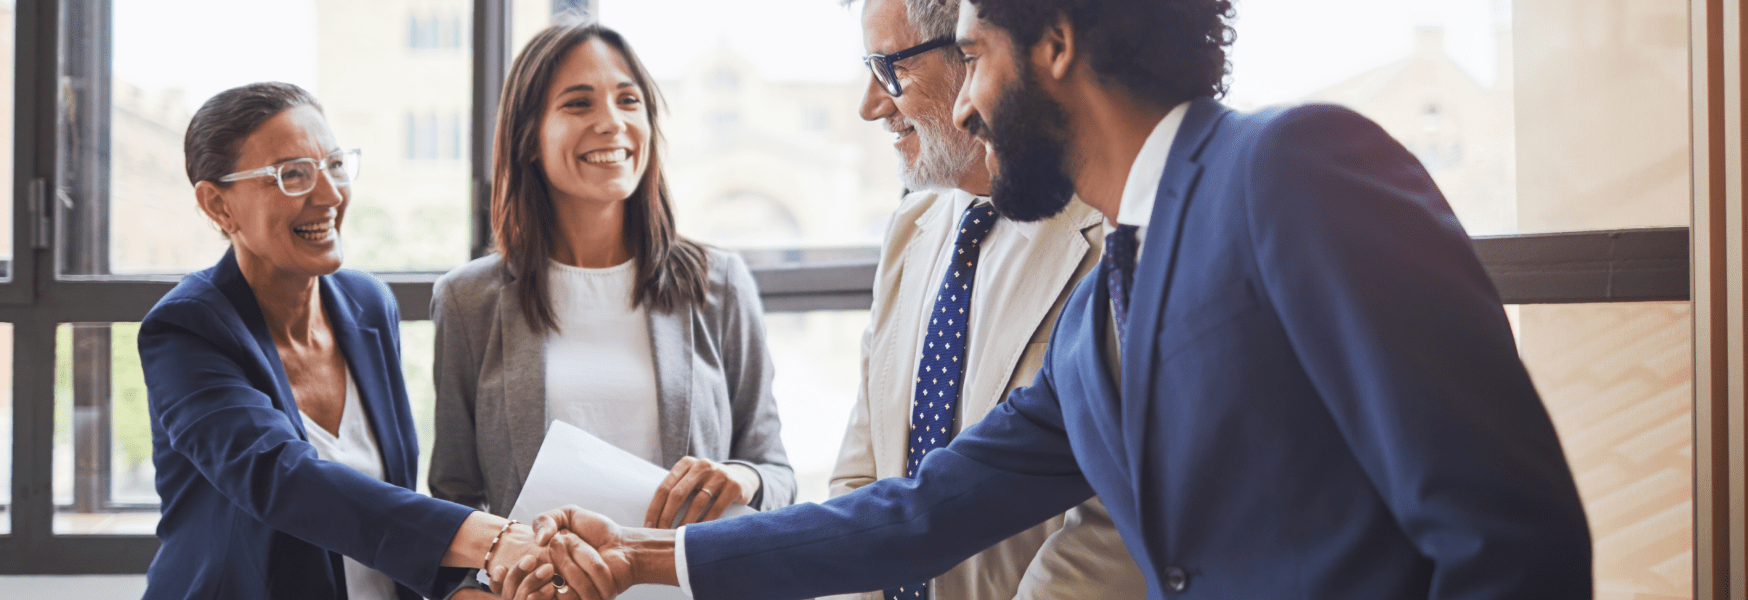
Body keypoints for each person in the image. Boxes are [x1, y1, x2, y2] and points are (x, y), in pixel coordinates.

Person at [508, 0, 1595, 599]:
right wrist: (642, 557)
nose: (967, 103)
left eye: (973, 56)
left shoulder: (1294, 166)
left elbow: (1510, 538)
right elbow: (918, 514)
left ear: (1056, 45)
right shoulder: (1098, 320)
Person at [138, 82, 541, 600]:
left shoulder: (368, 305)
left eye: (333, 165)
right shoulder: (187, 330)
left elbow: (386, 499)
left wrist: (460, 590)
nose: (328, 195)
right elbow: (283, 480)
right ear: (218, 205)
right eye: (293, 175)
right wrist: (494, 538)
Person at [426, 20, 795, 573]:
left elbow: (778, 474)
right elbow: (454, 497)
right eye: (578, 104)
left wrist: (742, 477)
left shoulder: (718, 284)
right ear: (529, 136)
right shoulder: (468, 301)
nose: (612, 123)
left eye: (629, 100)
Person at [827, 0, 1140, 599]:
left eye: (888, 68)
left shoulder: (1113, 235)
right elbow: (862, 467)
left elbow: (1115, 516)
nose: (870, 106)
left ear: (975, 55)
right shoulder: (910, 227)